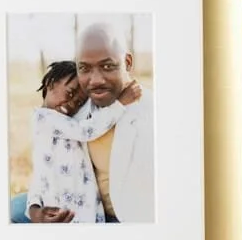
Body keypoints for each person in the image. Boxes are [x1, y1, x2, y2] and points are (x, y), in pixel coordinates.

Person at [16, 22, 155, 223]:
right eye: (84, 68)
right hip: (70, 205)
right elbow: (45, 165)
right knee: (11, 210)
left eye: (107, 66)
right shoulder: (73, 108)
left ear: (127, 62)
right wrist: (34, 207)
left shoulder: (153, 114)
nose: (95, 80)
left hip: (121, 219)